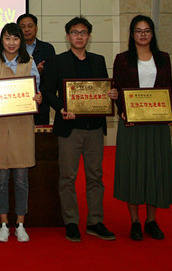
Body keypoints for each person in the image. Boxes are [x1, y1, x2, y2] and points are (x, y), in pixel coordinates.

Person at [42, 17, 118, 242]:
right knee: (68, 177)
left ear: (89, 36)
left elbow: (102, 90)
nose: (79, 36)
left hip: (94, 128)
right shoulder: (57, 61)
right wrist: (61, 108)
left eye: (83, 32)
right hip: (69, 128)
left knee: (95, 176)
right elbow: (47, 91)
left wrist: (111, 94)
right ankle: (71, 222)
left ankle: (95, 221)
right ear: (68, 36)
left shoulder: (98, 60)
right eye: (75, 32)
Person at [113, 15, 172, 241]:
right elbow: (117, 89)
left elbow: (168, 88)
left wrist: (170, 110)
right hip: (132, 124)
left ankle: (151, 220)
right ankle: (135, 221)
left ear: (152, 34)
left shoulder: (163, 58)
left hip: (156, 123)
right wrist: (122, 109)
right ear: (132, 34)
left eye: (147, 30)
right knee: (133, 169)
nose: (143, 34)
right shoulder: (122, 59)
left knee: (155, 169)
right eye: (138, 31)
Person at [0, 23, 42, 243]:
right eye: (7, 38)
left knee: (21, 178)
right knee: (0, 177)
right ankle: (4, 223)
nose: (11, 43)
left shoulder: (29, 63)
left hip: (22, 126)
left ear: (21, 41)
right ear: (2, 40)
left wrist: (38, 98)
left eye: (15, 38)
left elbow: (35, 92)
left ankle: (21, 224)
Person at [17, 13, 56, 125]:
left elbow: (53, 76)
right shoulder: (13, 49)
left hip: (41, 104)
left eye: (30, 26)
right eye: (23, 27)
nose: (26, 30)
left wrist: (41, 72)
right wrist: (34, 72)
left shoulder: (47, 49)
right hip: (17, 103)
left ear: (36, 28)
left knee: (40, 135)